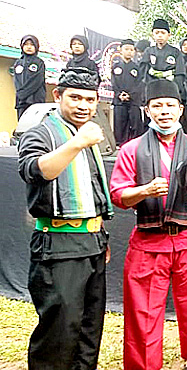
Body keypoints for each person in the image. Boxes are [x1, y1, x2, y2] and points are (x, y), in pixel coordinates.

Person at [109, 79, 187, 370]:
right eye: (157, 105)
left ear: (180, 109)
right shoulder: (132, 149)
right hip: (148, 241)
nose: (164, 111)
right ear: (146, 110)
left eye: (170, 105)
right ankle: (144, 365)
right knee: (143, 311)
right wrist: (144, 191)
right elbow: (119, 195)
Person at [18, 67, 113, 370]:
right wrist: (75, 144)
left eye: (90, 99)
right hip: (58, 243)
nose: (83, 105)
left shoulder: (89, 134)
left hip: (93, 242)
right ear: (58, 96)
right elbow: (36, 171)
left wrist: (102, 236)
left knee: (89, 330)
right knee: (60, 331)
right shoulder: (42, 133)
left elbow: (93, 192)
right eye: (75, 97)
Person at [112, 39, 145, 146]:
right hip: (119, 101)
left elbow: (139, 84)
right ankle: (120, 146)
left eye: (131, 49)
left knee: (136, 124)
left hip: (133, 101)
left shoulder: (137, 68)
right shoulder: (116, 66)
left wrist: (130, 95)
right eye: (126, 49)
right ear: (121, 50)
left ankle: (135, 146)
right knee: (120, 125)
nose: (129, 52)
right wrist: (119, 95)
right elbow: (114, 83)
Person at [140, 19, 186, 94]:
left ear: (169, 35)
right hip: (152, 87)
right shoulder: (148, 51)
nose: (160, 35)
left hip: (171, 87)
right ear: (152, 35)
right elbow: (143, 72)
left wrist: (176, 88)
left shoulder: (176, 52)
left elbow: (180, 73)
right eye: (157, 33)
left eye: (163, 33)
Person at [13, 35, 46, 120]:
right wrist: (21, 94)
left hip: (35, 100)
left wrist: (24, 93)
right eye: (26, 44)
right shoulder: (18, 63)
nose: (29, 47)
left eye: (32, 45)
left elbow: (36, 81)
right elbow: (17, 81)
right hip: (21, 101)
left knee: (34, 124)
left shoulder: (39, 62)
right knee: (21, 125)